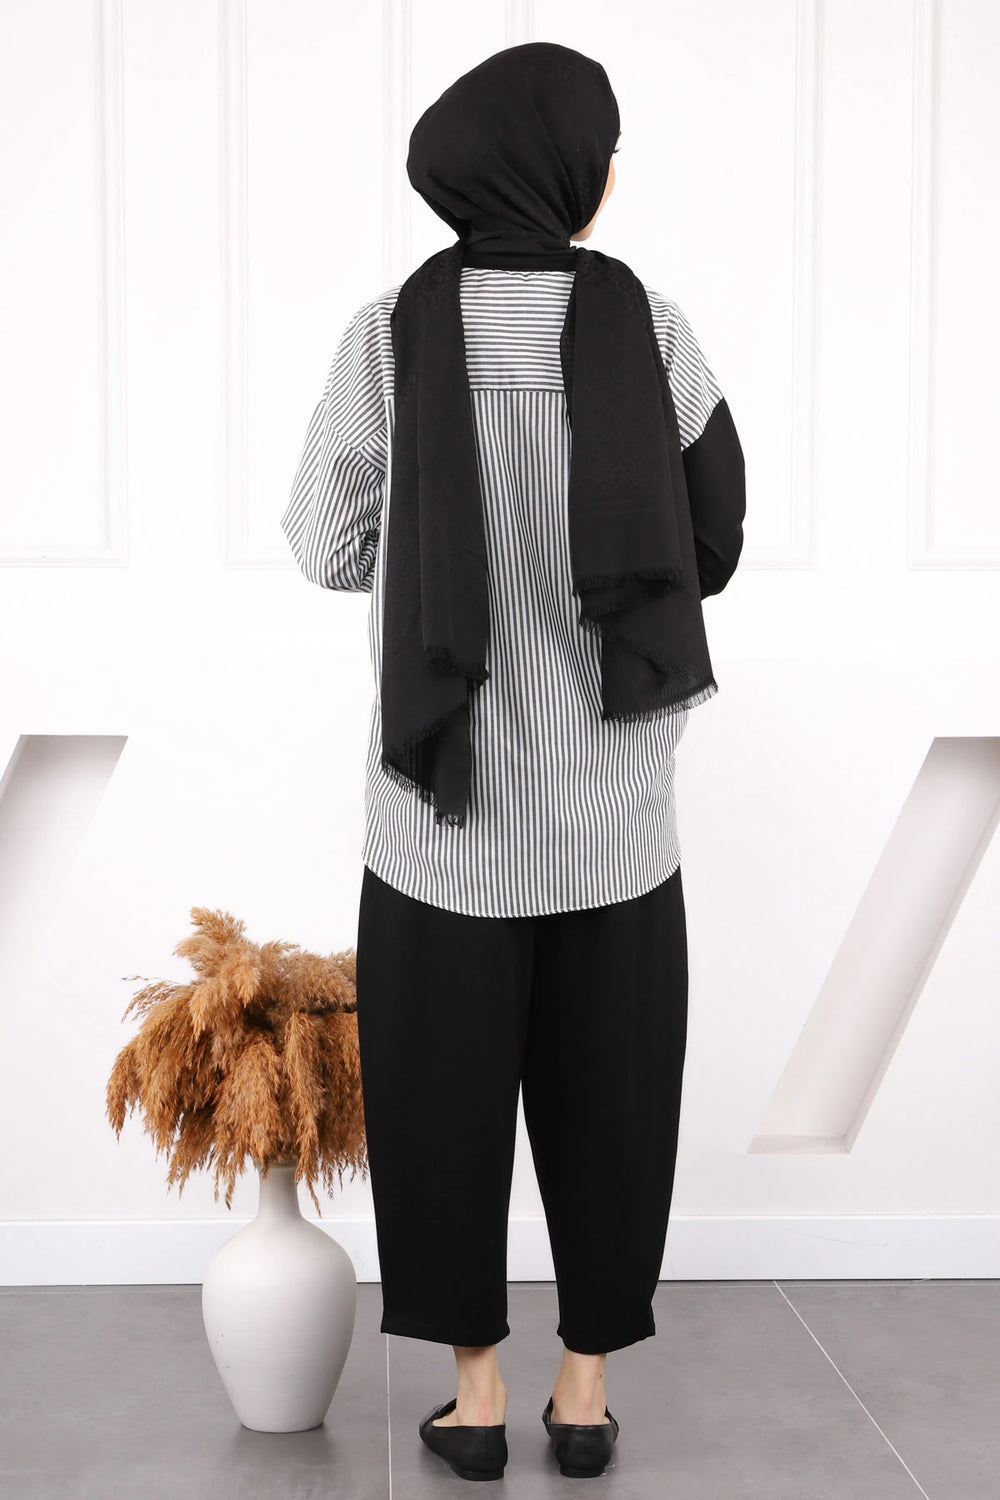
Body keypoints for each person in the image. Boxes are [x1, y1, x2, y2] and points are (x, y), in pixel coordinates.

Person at [281, 40, 745, 1483]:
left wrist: (439, 548)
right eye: (601, 148)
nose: (610, 174)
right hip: (616, 820)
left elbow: (324, 545)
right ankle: (583, 1397)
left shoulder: (389, 337)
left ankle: (476, 1403)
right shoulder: (652, 330)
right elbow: (716, 537)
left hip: (441, 823)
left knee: (441, 1111)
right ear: (557, 168)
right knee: (615, 1114)